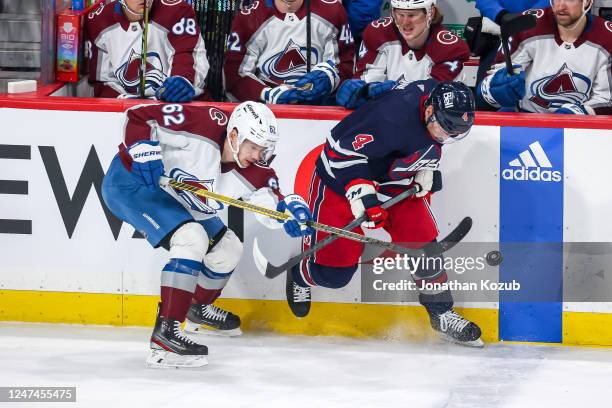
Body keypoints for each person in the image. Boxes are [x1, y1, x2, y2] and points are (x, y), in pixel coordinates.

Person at [101, 101, 313, 368]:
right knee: (192, 238)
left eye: (263, 149)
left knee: (228, 248)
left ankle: (196, 308)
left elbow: (271, 203)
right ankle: (165, 335)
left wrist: (288, 212)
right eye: (253, 146)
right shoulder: (200, 125)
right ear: (234, 135)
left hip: (178, 198)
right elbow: (139, 115)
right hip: (132, 184)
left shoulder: (256, 171)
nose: (258, 155)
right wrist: (142, 147)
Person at [287, 79, 484, 348]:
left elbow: (431, 139)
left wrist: (425, 166)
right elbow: (338, 150)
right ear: (428, 111)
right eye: (443, 129)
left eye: (453, 133)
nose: (445, 137)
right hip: (341, 178)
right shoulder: (392, 116)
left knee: (424, 242)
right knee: (334, 276)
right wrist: (361, 194)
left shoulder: (439, 101)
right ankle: (301, 272)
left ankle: (441, 313)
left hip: (393, 178)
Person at [476, 0, 612, 114]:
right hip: (528, 121)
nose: (560, 6)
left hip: (581, 131)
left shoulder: (607, 38)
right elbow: (492, 83)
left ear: (587, 1)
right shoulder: (527, 26)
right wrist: (494, 91)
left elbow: (606, 99)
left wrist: (579, 112)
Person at [336, 0, 470, 109]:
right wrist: (363, 91)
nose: (405, 23)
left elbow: (432, 103)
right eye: (400, 14)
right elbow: (365, 87)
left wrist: (387, 90)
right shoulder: (377, 33)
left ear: (431, 12)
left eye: (412, 15)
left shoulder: (451, 49)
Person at [223, 0, 355, 105]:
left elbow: (346, 65)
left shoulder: (333, 11)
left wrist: (331, 77)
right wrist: (266, 94)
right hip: (265, 113)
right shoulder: (249, 17)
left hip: (318, 107)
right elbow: (234, 76)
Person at [85, 0, 209, 102]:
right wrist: (126, 101)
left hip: (181, 107)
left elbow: (186, 54)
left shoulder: (178, 10)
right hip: (127, 111)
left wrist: (183, 80)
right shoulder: (97, 21)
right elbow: (103, 82)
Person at [469, 0, 551, 87]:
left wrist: (529, 16)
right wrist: (501, 15)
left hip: (540, 37)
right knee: (490, 88)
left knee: (539, 88)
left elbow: (556, 3)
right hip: (497, 37)